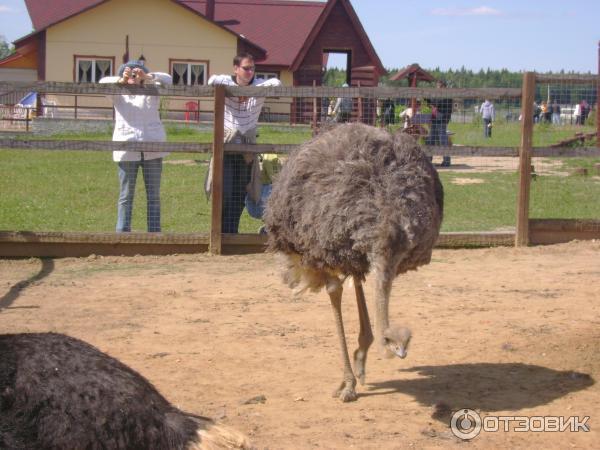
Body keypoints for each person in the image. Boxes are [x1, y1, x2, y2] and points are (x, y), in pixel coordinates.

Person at [204, 53, 282, 234]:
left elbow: (276, 83)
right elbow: (212, 80)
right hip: (227, 145)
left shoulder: (258, 85)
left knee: (240, 192)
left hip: (247, 147)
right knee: (225, 190)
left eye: (252, 68)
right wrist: (235, 91)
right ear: (236, 69)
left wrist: (249, 92)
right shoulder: (226, 81)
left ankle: (232, 233)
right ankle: (221, 232)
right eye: (246, 68)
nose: (250, 72)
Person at [100, 60, 172, 233]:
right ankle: (122, 233)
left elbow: (168, 79)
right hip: (127, 150)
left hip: (153, 149)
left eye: (136, 73)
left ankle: (154, 232)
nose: (133, 76)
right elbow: (102, 83)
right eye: (129, 73)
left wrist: (148, 77)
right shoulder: (117, 91)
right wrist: (121, 80)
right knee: (125, 196)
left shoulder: (153, 89)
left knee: (153, 196)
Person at [244, 153, 282, 233]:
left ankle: (268, 227)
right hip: (262, 200)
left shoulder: (261, 156)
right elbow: (275, 179)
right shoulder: (270, 157)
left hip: (253, 200)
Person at [426, 80, 453, 166]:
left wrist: (431, 102)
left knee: (443, 140)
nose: (438, 88)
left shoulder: (447, 96)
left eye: (440, 86)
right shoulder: (437, 96)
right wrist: (427, 99)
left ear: (444, 87)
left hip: (442, 120)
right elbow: (432, 102)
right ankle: (429, 160)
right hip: (435, 119)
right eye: (437, 87)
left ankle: (447, 161)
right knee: (431, 140)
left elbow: (437, 103)